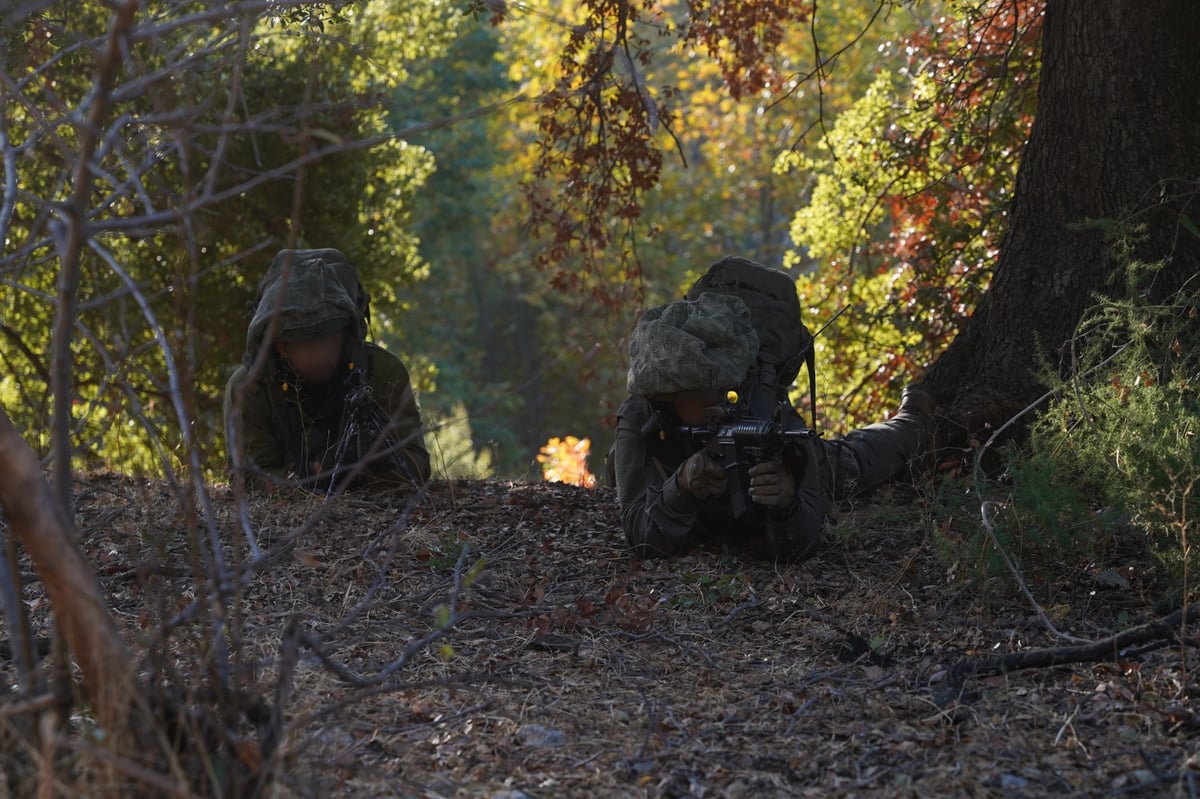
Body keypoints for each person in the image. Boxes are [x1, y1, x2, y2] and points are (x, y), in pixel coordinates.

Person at [611, 275, 934, 561]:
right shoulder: (641, 413)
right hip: (675, 482)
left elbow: (803, 545)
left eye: (716, 394)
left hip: (775, 445)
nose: (711, 405)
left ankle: (910, 423)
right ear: (667, 401)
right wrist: (681, 488)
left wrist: (785, 503)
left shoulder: (763, 410)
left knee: (846, 462)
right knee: (620, 467)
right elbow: (641, 542)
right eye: (695, 400)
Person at [223, 248, 431, 492]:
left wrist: (379, 461)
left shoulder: (382, 372)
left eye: (328, 341)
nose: (320, 354)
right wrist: (312, 475)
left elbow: (418, 467)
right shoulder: (250, 387)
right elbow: (246, 477)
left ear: (344, 336)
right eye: (307, 345)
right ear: (281, 347)